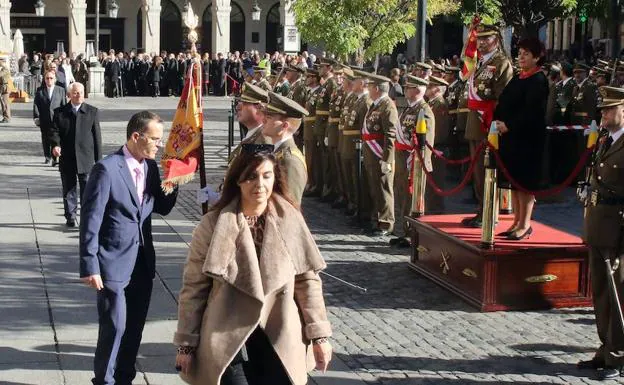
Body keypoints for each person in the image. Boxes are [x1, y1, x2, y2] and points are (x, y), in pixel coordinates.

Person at [174, 145, 332, 385]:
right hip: (227, 331)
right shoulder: (213, 224)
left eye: (266, 176)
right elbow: (194, 287)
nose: (259, 184)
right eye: (251, 177)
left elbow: (307, 280)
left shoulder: (290, 219)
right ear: (237, 181)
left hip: (278, 329)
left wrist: (319, 335)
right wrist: (186, 344)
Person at [79, 110, 178, 385]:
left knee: (133, 329)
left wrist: (176, 179)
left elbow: (162, 207)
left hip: (142, 262)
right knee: (115, 327)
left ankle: (124, 379)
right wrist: (90, 265)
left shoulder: (150, 167)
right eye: (155, 139)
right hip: (112, 263)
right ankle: (105, 381)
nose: (159, 145)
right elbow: (90, 221)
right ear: (136, 136)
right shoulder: (107, 169)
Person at [578, 86, 624, 381]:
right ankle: (605, 347)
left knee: (619, 294)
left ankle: (618, 356)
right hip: (598, 226)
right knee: (601, 292)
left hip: (618, 230)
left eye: (610, 110)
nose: (604, 115)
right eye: (603, 110)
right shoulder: (607, 140)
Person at [493, 37, 549, 240]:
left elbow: (531, 111)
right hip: (510, 139)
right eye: (520, 53)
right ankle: (516, 221)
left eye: (526, 54)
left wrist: (510, 125)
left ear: (537, 57)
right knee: (514, 182)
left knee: (525, 184)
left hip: (527, 140)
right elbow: (504, 100)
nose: (521, 57)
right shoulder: (519, 78)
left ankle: (525, 224)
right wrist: (498, 120)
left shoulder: (539, 80)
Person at [462, 24, 513, 228]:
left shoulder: (501, 63)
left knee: (488, 170)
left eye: (486, 38)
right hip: (475, 122)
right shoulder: (479, 62)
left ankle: (489, 212)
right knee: (477, 171)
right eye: (479, 38)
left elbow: (504, 98)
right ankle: (481, 209)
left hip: (488, 122)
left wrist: (495, 122)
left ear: (497, 40)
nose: (481, 42)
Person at [390, 75, 433, 248]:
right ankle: (402, 231)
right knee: (402, 196)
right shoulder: (410, 109)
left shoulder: (424, 111)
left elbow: (426, 142)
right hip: (403, 160)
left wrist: (418, 163)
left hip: (414, 162)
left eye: (409, 88)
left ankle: (412, 234)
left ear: (417, 90)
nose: (405, 90)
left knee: (412, 199)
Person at [50, 82, 101, 227]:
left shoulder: (92, 111)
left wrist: (99, 160)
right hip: (67, 156)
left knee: (87, 188)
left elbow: (97, 137)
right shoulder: (60, 112)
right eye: (75, 93)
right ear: (69, 95)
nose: (79, 95)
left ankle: (86, 216)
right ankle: (70, 216)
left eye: (81, 92)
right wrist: (56, 145)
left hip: (86, 157)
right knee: (69, 188)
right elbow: (54, 132)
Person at [363, 72, 398, 236]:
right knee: (374, 188)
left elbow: (390, 134)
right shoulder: (375, 104)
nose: (368, 89)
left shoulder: (387, 106)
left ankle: (386, 223)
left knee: (384, 188)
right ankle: (376, 218)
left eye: (370, 86)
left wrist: (387, 159)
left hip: (380, 153)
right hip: (371, 152)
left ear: (376, 88)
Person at [262, 91, 309, 203]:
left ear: (284, 126)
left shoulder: (290, 160)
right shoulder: (278, 151)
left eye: (268, 117)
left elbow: (289, 206)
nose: (263, 120)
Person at [229, 82, 271, 163]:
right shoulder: (253, 135)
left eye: (244, 103)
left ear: (259, 107)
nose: (238, 107)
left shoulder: (263, 142)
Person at [33, 69, 66, 166]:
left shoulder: (60, 90)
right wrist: (36, 117)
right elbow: (36, 105)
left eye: (51, 78)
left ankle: (55, 158)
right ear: (44, 79)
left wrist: (64, 117)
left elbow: (63, 104)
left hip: (57, 119)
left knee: (56, 139)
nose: (49, 80)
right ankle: (47, 156)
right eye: (47, 78)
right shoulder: (40, 90)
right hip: (44, 119)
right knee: (46, 139)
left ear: (55, 79)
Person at [0, 58, 11, 123]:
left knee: (5, 103)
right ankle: (5, 117)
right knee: (3, 103)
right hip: (2, 87)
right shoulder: (2, 69)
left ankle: (7, 117)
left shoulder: (5, 69)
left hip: (5, 87)